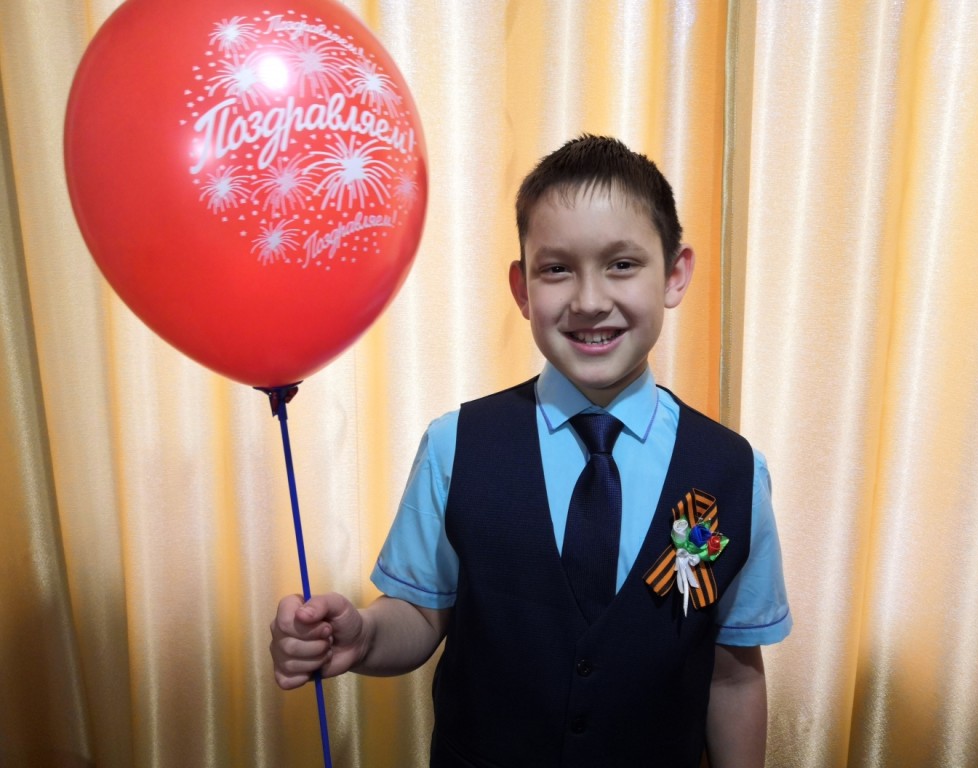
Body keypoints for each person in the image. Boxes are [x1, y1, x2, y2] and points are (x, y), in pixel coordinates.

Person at [270, 135, 792, 767]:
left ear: (674, 274)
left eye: (622, 264)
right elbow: (421, 615)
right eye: (557, 269)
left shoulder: (734, 471)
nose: (589, 300)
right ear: (521, 288)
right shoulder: (454, 445)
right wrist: (362, 636)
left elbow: (732, 676)